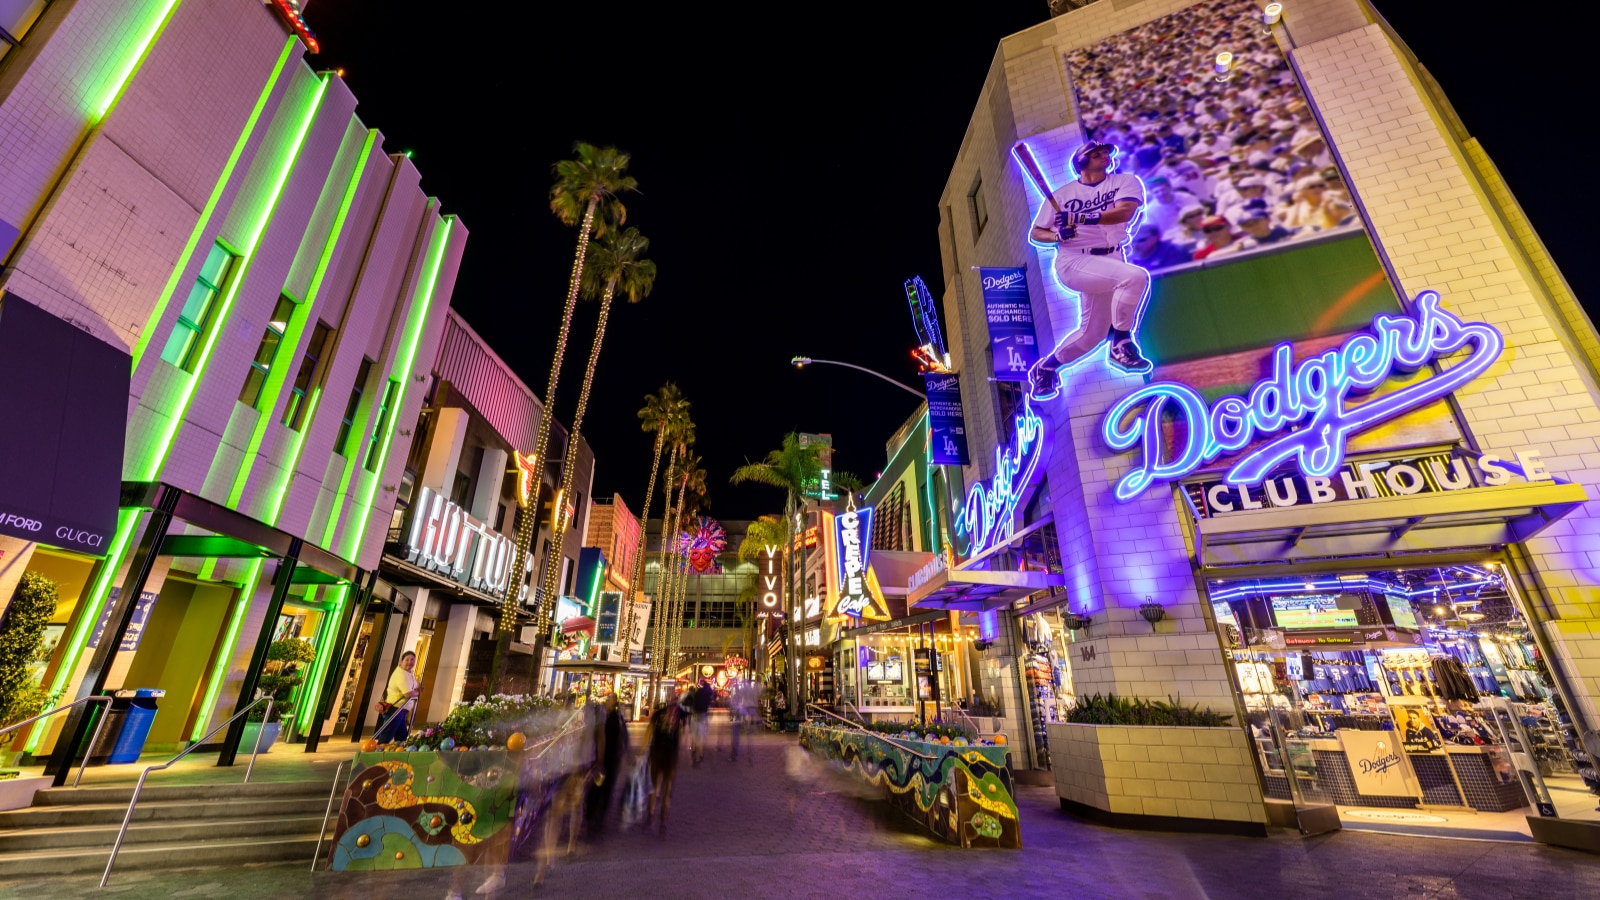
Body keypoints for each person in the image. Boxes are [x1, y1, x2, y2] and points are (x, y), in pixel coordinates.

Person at [1026, 142, 1151, 401]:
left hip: (1111, 257)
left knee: (1091, 336)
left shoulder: (1125, 181)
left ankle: (1047, 368)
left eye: (1106, 152)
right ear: (1082, 162)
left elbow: (1123, 212)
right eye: (1097, 154)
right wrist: (1058, 233)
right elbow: (1037, 233)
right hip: (1074, 261)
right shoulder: (1062, 195)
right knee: (1135, 277)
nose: (1105, 155)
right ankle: (1121, 342)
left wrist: (1081, 219)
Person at [585, 694, 628, 838]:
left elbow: (622, 740)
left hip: (610, 758)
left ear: (614, 703)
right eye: (608, 700)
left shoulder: (617, 719)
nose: (608, 702)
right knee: (596, 785)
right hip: (599, 756)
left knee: (606, 785)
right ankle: (591, 811)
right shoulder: (602, 716)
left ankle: (600, 812)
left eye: (610, 701)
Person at [644, 690, 685, 833]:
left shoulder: (657, 715)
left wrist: (642, 750)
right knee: (667, 789)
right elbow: (682, 734)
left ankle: (650, 815)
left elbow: (648, 732)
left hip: (657, 753)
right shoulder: (679, 714)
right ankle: (663, 821)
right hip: (671, 755)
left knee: (655, 786)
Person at [374, 651, 418, 743]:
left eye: (412, 659)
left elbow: (414, 688)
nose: (410, 662)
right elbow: (407, 693)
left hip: (402, 710)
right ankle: (376, 754)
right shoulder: (401, 674)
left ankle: (399, 754)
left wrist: (415, 691)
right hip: (395, 709)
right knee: (387, 736)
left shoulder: (409, 673)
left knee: (401, 737)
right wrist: (416, 693)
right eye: (407, 659)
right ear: (401, 662)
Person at [1127, 223, 1192, 270]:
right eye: (1132, 241)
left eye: (1141, 240)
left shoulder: (1175, 253)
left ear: (1156, 237)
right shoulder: (1130, 260)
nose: (1135, 245)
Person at [689, 678, 713, 765]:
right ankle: (699, 756)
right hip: (702, 716)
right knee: (700, 737)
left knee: (694, 736)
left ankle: (694, 748)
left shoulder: (697, 693)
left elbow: (692, 704)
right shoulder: (707, 695)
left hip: (694, 715)